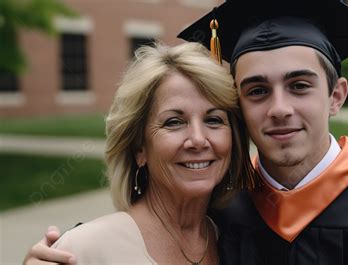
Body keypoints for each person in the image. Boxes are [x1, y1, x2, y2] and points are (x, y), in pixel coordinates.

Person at [25, 0, 348, 264]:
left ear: (336, 95)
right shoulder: (224, 214)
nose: (279, 109)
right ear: (239, 103)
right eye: (257, 90)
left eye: (299, 86)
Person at [23, 42, 258, 264]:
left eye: (214, 119)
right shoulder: (85, 250)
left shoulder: (235, 242)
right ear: (139, 148)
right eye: (174, 122)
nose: (197, 139)